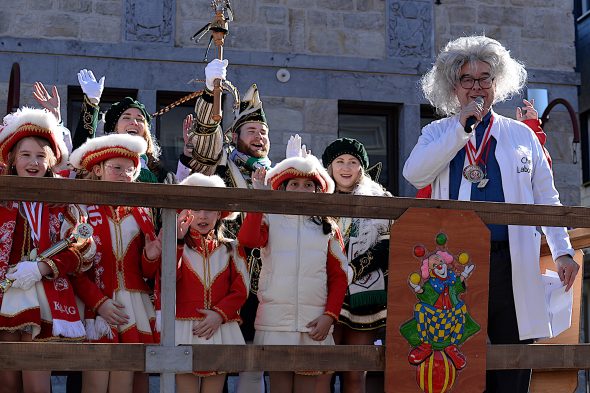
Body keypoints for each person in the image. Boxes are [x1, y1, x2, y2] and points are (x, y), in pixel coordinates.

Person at [402, 35, 579, 393]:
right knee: (459, 360)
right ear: (453, 88)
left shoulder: (520, 135)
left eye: (484, 77)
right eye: (466, 79)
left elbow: (547, 196)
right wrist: (460, 130)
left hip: (513, 262)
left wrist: (562, 250)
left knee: (513, 361)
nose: (476, 86)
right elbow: (414, 174)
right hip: (455, 268)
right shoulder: (437, 132)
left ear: (497, 84)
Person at [178, 59, 272, 393]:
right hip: (224, 268)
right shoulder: (221, 167)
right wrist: (211, 91)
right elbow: (206, 139)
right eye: (252, 131)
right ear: (236, 136)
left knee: (255, 362)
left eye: (263, 132)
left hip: (268, 278)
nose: (259, 137)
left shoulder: (276, 174)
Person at [0, 107, 95, 393]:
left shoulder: (62, 198)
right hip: (5, 291)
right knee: (7, 380)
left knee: (36, 379)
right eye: (25, 155)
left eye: (41, 156)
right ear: (12, 159)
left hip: (44, 291)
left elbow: (83, 245)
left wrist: (41, 268)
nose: (33, 162)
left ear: (52, 160)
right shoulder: (2, 197)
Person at [238, 149, 349, 393]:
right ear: (283, 188)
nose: (301, 189)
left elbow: (339, 276)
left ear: (318, 190)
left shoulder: (328, 226)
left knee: (307, 387)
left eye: (308, 184)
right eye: (295, 184)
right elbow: (247, 239)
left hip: (313, 322)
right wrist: (260, 199)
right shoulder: (269, 218)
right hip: (275, 322)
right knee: (279, 386)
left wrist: (329, 316)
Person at [69, 134, 162, 393]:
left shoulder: (142, 213)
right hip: (96, 305)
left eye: (130, 169)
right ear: (98, 170)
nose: (125, 175)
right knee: (95, 382)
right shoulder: (82, 210)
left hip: (134, 307)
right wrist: (99, 303)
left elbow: (147, 272)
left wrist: (152, 256)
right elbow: (73, 266)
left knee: (125, 382)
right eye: (117, 168)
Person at [316, 137, 391, 393]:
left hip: (365, 296)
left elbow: (387, 246)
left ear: (362, 167)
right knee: (321, 371)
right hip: (323, 294)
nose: (346, 167)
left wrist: (354, 269)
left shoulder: (379, 198)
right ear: (330, 167)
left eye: (353, 162)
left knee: (355, 373)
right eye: (340, 161)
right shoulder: (316, 199)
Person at [174, 173, 249, 393]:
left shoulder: (232, 248)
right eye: (196, 209)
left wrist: (219, 314)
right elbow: (167, 280)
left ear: (219, 214)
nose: (202, 216)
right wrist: (178, 242)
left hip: (221, 328)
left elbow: (241, 289)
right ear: (185, 213)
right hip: (184, 329)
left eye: (209, 210)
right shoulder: (173, 243)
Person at [71, 69, 167, 183]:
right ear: (115, 128)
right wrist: (91, 103)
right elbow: (80, 158)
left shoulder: (157, 168)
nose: (134, 122)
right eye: (126, 117)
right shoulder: (101, 158)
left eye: (140, 119)